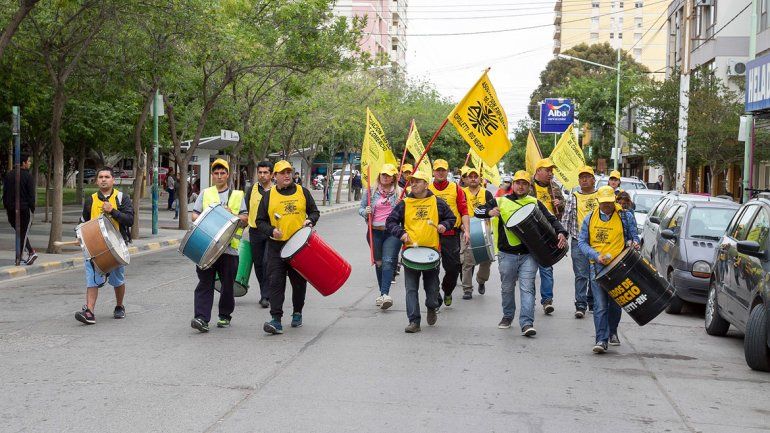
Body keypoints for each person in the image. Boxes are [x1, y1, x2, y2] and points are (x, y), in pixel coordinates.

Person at [476, 170, 567, 336]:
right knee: (507, 287)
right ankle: (508, 316)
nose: (520, 186)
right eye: (518, 183)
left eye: (524, 183)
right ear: (513, 184)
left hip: (529, 254)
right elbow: (477, 211)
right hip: (506, 254)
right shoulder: (499, 201)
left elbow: (552, 219)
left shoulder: (535, 202)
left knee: (527, 288)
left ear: (529, 186)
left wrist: (561, 232)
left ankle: (527, 323)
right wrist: (489, 212)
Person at [386, 170, 456, 333]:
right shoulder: (404, 203)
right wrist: (401, 233)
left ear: (426, 184)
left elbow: (451, 218)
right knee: (411, 288)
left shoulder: (437, 202)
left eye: (418, 181)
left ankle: (432, 307)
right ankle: (414, 321)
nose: (414, 184)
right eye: (412, 181)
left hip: (431, 253)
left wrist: (444, 226)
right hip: (410, 253)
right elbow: (390, 222)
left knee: (432, 289)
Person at [256, 160, 320, 334]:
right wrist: (271, 230)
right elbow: (259, 221)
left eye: (289, 172)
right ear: (274, 176)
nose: (286, 175)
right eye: (282, 173)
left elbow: (314, 211)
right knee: (276, 283)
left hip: (299, 248)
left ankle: (297, 312)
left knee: (299, 283)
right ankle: (276, 319)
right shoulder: (268, 196)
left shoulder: (302, 192)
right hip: (276, 247)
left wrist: (310, 220)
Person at [577, 186, 640, 353]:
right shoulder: (590, 218)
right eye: (603, 203)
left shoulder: (625, 217)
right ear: (598, 201)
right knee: (600, 304)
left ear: (614, 200)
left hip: (619, 266)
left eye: (609, 203)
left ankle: (612, 331)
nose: (606, 206)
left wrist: (634, 243)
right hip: (596, 266)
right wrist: (595, 255)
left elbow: (634, 237)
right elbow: (582, 242)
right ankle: (601, 339)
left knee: (615, 303)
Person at [189, 159, 248, 333]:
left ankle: (224, 315)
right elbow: (194, 215)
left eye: (223, 173)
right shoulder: (205, 193)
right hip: (207, 248)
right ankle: (201, 318)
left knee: (227, 285)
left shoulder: (237, 195)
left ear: (228, 175)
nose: (219, 176)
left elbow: (245, 219)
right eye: (216, 173)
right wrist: (208, 217)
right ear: (212, 175)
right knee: (204, 283)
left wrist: (233, 215)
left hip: (229, 249)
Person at [75, 167, 135, 325]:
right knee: (91, 279)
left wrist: (113, 211)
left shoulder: (122, 198)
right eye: (100, 176)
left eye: (107, 177)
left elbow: (130, 220)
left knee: (117, 280)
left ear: (113, 180)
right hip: (94, 248)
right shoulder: (91, 200)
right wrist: (79, 236)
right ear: (96, 181)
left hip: (116, 248)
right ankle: (89, 311)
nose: (103, 179)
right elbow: (83, 222)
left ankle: (119, 305)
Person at [359, 164, 402, 309]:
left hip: (392, 232)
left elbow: (405, 213)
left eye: (388, 175)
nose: (385, 177)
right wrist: (366, 211)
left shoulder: (399, 193)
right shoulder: (371, 191)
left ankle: (385, 294)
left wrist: (400, 206)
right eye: (383, 174)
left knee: (388, 261)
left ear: (393, 178)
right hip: (374, 231)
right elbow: (360, 208)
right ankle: (382, 293)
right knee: (379, 263)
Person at [428, 159, 470, 306]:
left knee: (453, 269)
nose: (440, 172)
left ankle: (447, 290)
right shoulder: (426, 189)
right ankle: (434, 295)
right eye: (438, 170)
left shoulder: (456, 188)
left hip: (451, 233)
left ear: (447, 172)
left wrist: (467, 231)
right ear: (433, 171)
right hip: (430, 234)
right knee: (431, 268)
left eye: (443, 170)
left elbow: (464, 210)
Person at [528, 158, 565, 314]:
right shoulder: (528, 186)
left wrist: (560, 204)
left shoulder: (555, 187)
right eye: (548, 170)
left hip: (549, 233)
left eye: (552, 170)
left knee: (546, 267)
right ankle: (528, 301)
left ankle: (547, 300)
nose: (551, 173)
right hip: (530, 231)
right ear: (538, 171)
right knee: (528, 270)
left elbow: (563, 207)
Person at [562, 166, 599, 318]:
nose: (584, 180)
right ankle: (580, 305)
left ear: (593, 179)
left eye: (587, 176)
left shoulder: (601, 196)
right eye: (581, 177)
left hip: (598, 242)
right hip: (578, 241)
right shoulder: (574, 196)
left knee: (595, 274)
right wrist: (563, 236)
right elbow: (566, 217)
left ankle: (592, 300)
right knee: (581, 274)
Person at [460, 167, 494, 299]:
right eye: (470, 176)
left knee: (486, 260)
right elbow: (457, 211)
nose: (473, 179)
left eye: (475, 176)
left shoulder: (487, 194)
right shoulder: (461, 192)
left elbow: (492, 210)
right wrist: (461, 226)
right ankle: (467, 289)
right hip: (466, 229)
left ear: (480, 178)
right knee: (467, 261)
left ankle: (481, 280)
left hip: (483, 230)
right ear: (466, 179)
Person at [245, 161, 274, 309]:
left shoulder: (276, 190)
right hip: (255, 231)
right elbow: (246, 210)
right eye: (260, 172)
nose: (262, 175)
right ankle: (264, 292)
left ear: (272, 174)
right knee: (258, 264)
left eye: (265, 172)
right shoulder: (251, 190)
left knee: (266, 262)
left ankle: (266, 295)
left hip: (270, 232)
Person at [2, 152, 37, 265]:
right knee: (23, 232)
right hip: (24, 209)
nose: (30, 163)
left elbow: (5, 193)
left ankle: (25, 254)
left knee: (19, 232)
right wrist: (32, 209)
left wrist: (7, 206)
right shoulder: (28, 176)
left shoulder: (8, 175)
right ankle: (27, 254)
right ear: (23, 163)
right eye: (28, 161)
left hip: (11, 209)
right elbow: (31, 195)